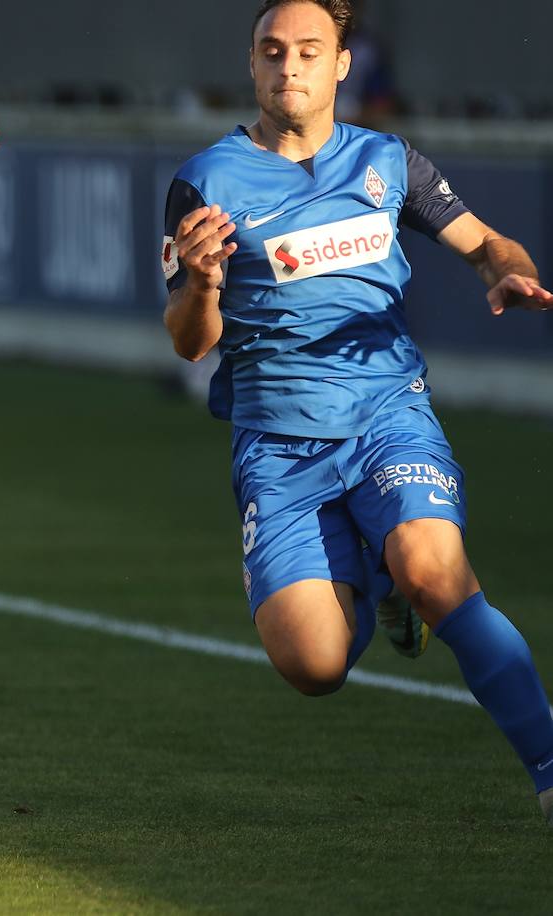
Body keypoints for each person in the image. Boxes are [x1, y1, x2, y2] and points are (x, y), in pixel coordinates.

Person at [161, 0, 553, 824]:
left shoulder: (386, 162)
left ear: (342, 63)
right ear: (253, 62)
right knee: (316, 664)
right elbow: (190, 346)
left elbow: (486, 243)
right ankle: (377, 579)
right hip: (276, 443)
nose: (289, 67)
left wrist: (506, 272)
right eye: (273, 51)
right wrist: (200, 285)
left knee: (437, 572)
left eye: (309, 51)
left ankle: (548, 766)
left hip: (387, 413)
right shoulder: (207, 181)